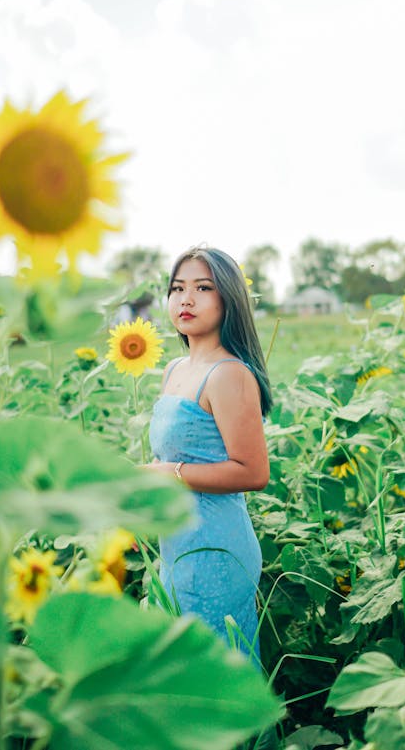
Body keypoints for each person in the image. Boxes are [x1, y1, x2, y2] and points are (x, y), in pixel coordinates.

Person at [147, 245, 273, 667]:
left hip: (215, 546)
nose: (186, 299)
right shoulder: (174, 370)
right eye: (178, 288)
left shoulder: (230, 374)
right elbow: (169, 459)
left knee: (216, 672)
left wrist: (172, 473)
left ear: (228, 300)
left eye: (203, 288)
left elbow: (254, 472)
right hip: (177, 543)